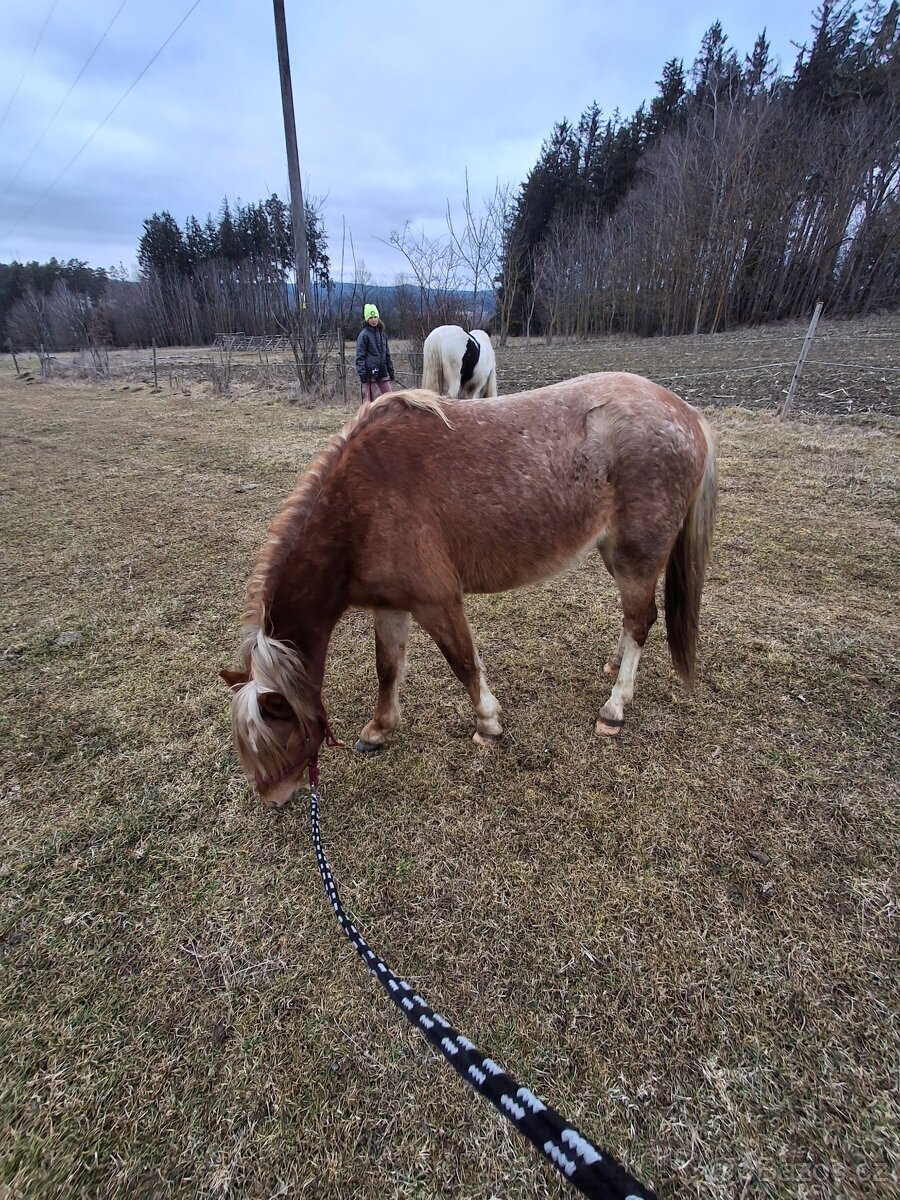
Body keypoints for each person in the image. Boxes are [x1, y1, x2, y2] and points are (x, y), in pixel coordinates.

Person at [355, 303, 395, 402]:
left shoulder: (382, 334)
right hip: (370, 373)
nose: (374, 320)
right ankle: (370, 417)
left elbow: (387, 355)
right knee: (371, 401)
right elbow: (360, 356)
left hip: (382, 371)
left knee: (390, 398)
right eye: (371, 317)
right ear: (367, 319)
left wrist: (390, 370)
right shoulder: (363, 335)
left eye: (375, 317)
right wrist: (362, 373)